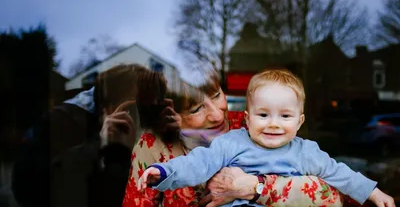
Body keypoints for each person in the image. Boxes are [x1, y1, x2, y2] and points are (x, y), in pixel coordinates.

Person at [138, 69, 395, 207]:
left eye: (285, 116)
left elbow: (339, 175)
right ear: (247, 118)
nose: (273, 124)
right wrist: (163, 172)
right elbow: (197, 163)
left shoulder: (306, 152)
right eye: (263, 115)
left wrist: (372, 191)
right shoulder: (231, 142)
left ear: (300, 122)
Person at [11, 64, 180, 207]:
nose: (143, 121)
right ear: (105, 108)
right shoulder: (61, 123)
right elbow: (27, 187)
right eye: (136, 110)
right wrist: (99, 145)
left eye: (151, 109)